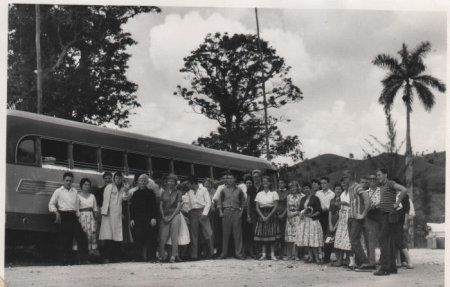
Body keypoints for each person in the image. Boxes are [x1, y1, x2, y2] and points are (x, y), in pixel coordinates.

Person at [48, 172, 89, 265]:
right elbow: (51, 203)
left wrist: (78, 215)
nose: (68, 182)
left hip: (73, 216)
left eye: (70, 180)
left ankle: (83, 259)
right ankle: (65, 261)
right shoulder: (58, 191)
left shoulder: (74, 191)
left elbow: (77, 205)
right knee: (65, 239)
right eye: (66, 180)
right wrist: (56, 212)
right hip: (63, 215)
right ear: (63, 181)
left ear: (72, 181)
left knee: (81, 237)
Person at [374, 168, 408, 276]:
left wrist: (397, 203)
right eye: (377, 175)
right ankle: (392, 267)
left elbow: (404, 190)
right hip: (385, 215)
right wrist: (380, 204)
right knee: (390, 242)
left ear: (385, 174)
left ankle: (384, 268)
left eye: (379, 175)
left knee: (383, 241)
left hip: (388, 216)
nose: (377, 177)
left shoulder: (390, 183)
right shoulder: (383, 186)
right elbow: (387, 199)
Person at [99, 171, 131, 263]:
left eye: (120, 178)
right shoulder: (109, 187)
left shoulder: (123, 188)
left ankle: (115, 257)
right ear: (114, 178)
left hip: (117, 215)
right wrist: (104, 211)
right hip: (108, 214)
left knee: (117, 236)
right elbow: (105, 200)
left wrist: (126, 190)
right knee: (108, 235)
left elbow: (125, 199)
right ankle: (106, 257)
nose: (118, 180)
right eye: (116, 178)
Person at [129, 174, 158, 262]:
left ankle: (151, 257)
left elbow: (154, 206)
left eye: (144, 181)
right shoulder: (135, 193)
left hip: (148, 219)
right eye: (140, 180)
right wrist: (132, 219)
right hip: (138, 219)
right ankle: (138, 257)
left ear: (146, 182)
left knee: (150, 238)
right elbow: (132, 207)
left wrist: (154, 218)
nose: (142, 182)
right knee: (138, 238)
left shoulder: (151, 192)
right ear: (137, 182)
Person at [218, 170, 246, 259]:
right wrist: (220, 212)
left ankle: (239, 253)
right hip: (226, 212)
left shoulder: (239, 190)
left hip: (236, 212)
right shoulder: (223, 190)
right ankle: (224, 253)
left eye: (231, 178)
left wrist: (241, 213)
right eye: (228, 178)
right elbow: (219, 202)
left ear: (235, 179)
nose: (229, 180)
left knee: (237, 234)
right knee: (225, 234)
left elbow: (243, 203)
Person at [254, 176, 281, 261]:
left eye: (266, 181)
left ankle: (272, 254)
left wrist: (268, 216)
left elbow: (276, 206)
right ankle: (264, 254)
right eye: (263, 181)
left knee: (271, 234)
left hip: (271, 214)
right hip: (261, 214)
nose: (265, 183)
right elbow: (257, 207)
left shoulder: (274, 193)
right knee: (263, 235)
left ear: (270, 183)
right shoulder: (259, 193)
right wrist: (262, 216)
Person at [187, 176, 214, 260]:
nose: (187, 185)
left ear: (193, 184)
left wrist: (204, 214)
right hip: (193, 213)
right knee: (194, 235)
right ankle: (194, 255)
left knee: (209, 233)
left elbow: (208, 202)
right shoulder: (189, 192)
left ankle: (211, 253)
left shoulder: (204, 189)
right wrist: (188, 214)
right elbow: (188, 205)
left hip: (202, 212)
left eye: (189, 183)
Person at [295, 182, 323, 264]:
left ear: (310, 189)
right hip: (305, 222)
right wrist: (301, 214)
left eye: (307, 188)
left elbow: (319, 210)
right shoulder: (302, 199)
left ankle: (317, 258)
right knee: (307, 240)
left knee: (313, 240)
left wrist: (312, 215)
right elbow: (300, 210)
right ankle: (311, 257)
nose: (306, 190)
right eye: (304, 189)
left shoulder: (315, 198)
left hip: (313, 221)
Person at [159, 174, 183, 263]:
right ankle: (161, 256)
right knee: (163, 236)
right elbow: (161, 206)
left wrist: (172, 217)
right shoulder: (163, 192)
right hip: (165, 215)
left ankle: (173, 256)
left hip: (175, 215)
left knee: (174, 236)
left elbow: (179, 206)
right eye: (169, 181)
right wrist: (163, 216)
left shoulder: (178, 192)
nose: (170, 183)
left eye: (172, 181)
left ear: (175, 183)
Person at [74, 178, 99, 256]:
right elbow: (76, 209)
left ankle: (90, 253)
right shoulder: (78, 196)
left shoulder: (92, 196)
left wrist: (96, 219)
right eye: (85, 184)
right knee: (83, 234)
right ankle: (81, 253)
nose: (87, 186)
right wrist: (78, 219)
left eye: (88, 185)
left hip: (91, 217)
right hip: (82, 218)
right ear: (81, 185)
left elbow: (95, 208)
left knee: (91, 234)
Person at [332, 182, 354, 267]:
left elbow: (354, 205)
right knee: (340, 239)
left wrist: (345, 204)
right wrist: (339, 205)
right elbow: (341, 206)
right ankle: (340, 260)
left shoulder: (352, 193)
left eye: (346, 185)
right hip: (342, 218)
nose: (344, 186)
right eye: (343, 185)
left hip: (349, 216)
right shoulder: (342, 194)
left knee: (348, 239)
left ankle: (350, 260)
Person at [315, 176, 335, 263]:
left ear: (328, 183)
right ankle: (320, 255)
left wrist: (326, 208)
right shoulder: (318, 193)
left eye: (325, 183)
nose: (323, 185)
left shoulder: (332, 194)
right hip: (319, 215)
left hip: (329, 214)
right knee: (320, 235)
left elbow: (332, 206)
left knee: (329, 236)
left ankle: (327, 256)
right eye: (321, 183)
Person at [284, 180, 303, 260]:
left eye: (294, 187)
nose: (293, 188)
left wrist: (296, 214)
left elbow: (302, 208)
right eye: (291, 187)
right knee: (289, 238)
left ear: (297, 187)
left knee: (297, 236)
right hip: (290, 217)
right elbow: (287, 207)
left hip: (298, 216)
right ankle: (289, 255)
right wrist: (289, 216)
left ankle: (296, 255)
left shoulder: (302, 196)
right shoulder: (288, 196)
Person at [365, 173, 381, 267]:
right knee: (371, 240)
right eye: (370, 179)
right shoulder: (365, 192)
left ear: (377, 180)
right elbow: (364, 205)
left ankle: (383, 260)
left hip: (380, 216)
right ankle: (372, 261)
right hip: (370, 217)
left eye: (374, 179)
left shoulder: (381, 191)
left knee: (382, 238)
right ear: (368, 181)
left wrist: (376, 205)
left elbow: (383, 202)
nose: (372, 181)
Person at [204, 178, 221, 256]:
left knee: (214, 231)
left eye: (209, 184)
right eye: (206, 184)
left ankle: (215, 250)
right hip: (204, 214)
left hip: (213, 214)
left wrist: (214, 205)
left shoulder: (215, 192)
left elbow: (217, 201)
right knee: (206, 232)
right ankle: (206, 250)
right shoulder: (202, 192)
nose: (207, 185)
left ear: (211, 184)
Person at [243, 175, 257, 258]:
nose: (248, 184)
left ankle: (252, 251)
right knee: (245, 233)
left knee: (252, 232)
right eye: (247, 183)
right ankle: (245, 251)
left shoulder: (252, 190)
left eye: (250, 183)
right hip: (243, 214)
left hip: (251, 213)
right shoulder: (241, 190)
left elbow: (249, 203)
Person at [276, 179, 289, 259]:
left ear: (285, 183)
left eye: (282, 182)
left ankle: (284, 252)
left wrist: (283, 214)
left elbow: (288, 205)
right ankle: (277, 251)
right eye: (279, 183)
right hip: (276, 214)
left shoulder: (288, 192)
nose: (280, 184)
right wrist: (277, 213)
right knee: (277, 233)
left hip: (285, 214)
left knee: (284, 232)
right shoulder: (275, 192)